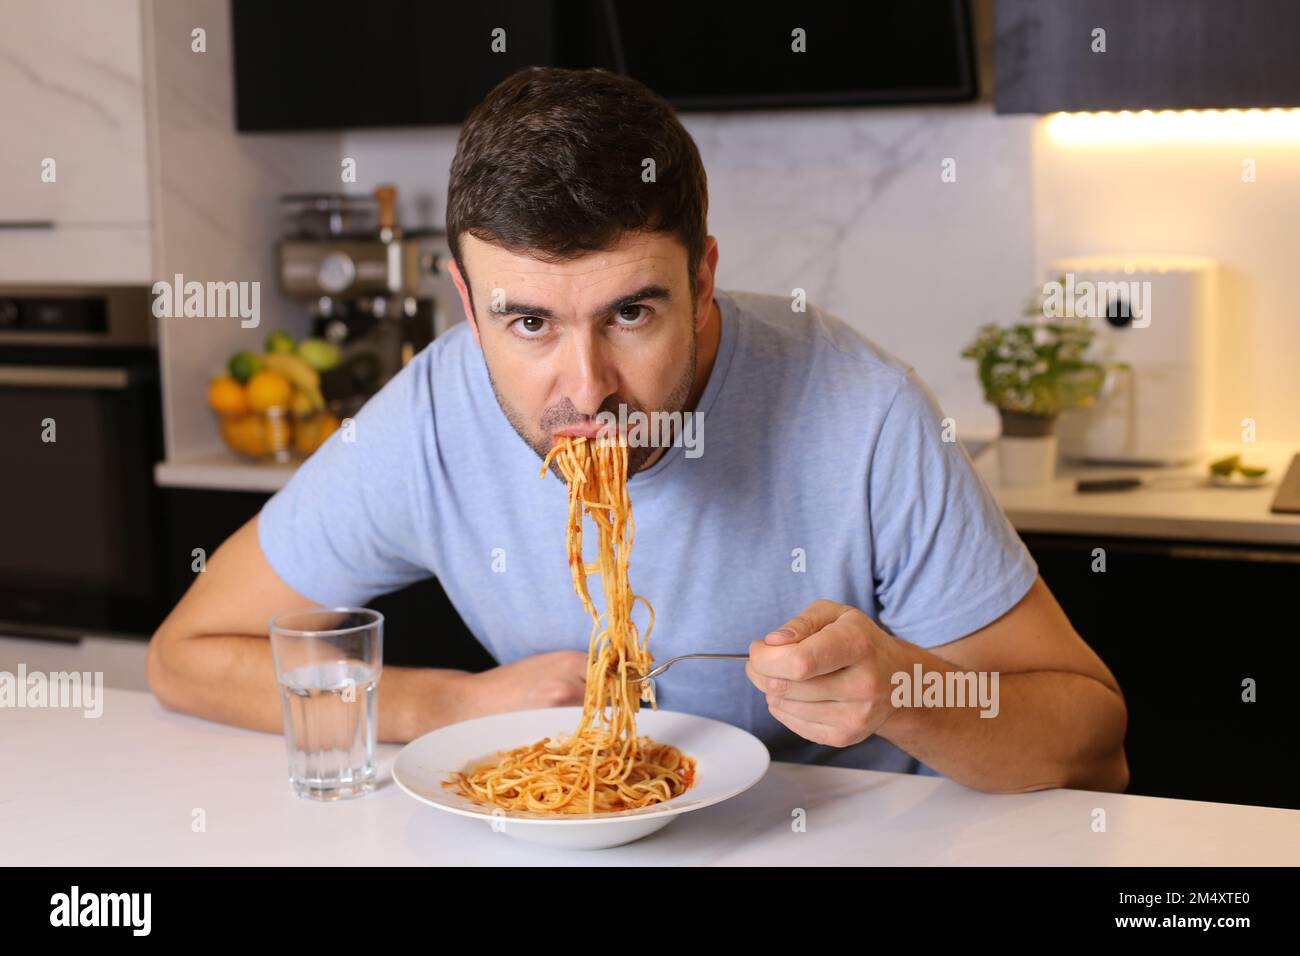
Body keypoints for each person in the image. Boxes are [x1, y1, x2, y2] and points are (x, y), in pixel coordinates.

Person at [148, 67, 1128, 793]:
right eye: (527, 322)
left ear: (702, 281)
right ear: (464, 302)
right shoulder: (428, 416)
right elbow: (187, 652)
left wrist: (906, 691)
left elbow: (1091, 740)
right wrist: (446, 704)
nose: (587, 389)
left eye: (631, 314)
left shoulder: (860, 411)